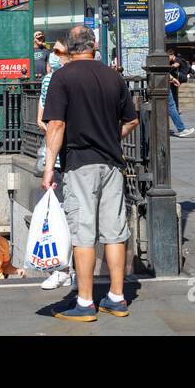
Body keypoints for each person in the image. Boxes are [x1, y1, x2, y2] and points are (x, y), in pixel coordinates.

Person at [43, 25, 139, 322]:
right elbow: (132, 120)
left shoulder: (62, 77)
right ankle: (117, 297)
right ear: (94, 46)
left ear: (70, 49)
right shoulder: (114, 77)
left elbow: (56, 125)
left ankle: (85, 302)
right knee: (114, 232)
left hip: (80, 163)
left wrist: (49, 167)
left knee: (83, 234)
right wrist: (111, 136)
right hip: (112, 164)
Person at [37, 41, 74, 292]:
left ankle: (70, 271)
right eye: (56, 53)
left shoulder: (78, 77)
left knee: (71, 217)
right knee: (61, 217)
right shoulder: (50, 81)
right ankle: (63, 269)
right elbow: (44, 121)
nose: (58, 57)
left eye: (61, 52)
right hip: (62, 160)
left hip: (72, 159)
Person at [166, 52, 194, 138]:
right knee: (171, 105)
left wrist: (172, 78)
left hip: (162, 82)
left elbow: (174, 66)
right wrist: (172, 79)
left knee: (168, 106)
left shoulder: (176, 59)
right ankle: (181, 129)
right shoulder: (161, 55)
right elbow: (162, 71)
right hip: (164, 85)